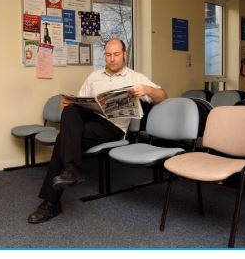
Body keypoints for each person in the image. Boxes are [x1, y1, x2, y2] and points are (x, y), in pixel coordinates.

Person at [27, 38, 168, 224]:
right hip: (91, 120)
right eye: (108, 55)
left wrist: (148, 89)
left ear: (124, 54)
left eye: (116, 54)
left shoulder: (135, 77)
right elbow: (80, 102)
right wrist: (70, 103)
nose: (112, 59)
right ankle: (69, 171)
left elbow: (163, 96)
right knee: (70, 109)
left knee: (63, 138)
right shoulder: (94, 77)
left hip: (113, 127)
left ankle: (52, 200)